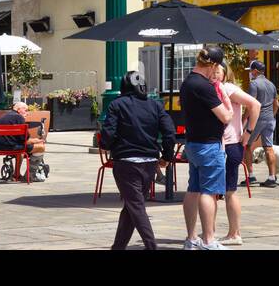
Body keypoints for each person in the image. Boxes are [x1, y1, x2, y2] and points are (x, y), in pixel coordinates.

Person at [99, 70, 175, 250]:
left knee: (136, 205)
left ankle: (151, 246)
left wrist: (106, 144)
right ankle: (118, 246)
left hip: (125, 161)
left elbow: (109, 132)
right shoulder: (155, 105)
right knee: (132, 205)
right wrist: (167, 156)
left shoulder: (117, 104)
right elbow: (169, 132)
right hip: (149, 162)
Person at [179, 46, 233, 250]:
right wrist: (226, 101)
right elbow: (226, 116)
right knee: (209, 192)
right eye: (217, 67)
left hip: (192, 143)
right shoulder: (204, 86)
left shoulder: (187, 83)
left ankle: (191, 239)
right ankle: (209, 240)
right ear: (214, 65)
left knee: (193, 189)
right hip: (209, 145)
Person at [211, 62, 260, 246]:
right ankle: (219, 232)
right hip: (222, 145)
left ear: (225, 73)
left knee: (228, 191)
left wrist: (248, 132)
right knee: (220, 192)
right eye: (212, 71)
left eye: (218, 71)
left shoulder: (228, 88)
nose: (214, 74)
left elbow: (255, 104)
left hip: (230, 145)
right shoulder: (214, 89)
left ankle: (233, 233)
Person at [246, 60, 279, 187]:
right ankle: (271, 177)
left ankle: (251, 176)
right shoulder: (271, 84)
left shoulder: (254, 84)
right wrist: (272, 115)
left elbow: (251, 104)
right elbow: (276, 104)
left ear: (255, 71)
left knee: (247, 145)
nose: (250, 73)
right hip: (270, 119)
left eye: (250, 71)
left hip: (257, 119)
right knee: (269, 148)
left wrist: (245, 119)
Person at [0, 101, 39, 180]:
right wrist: (36, 140)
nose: (27, 113)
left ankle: (17, 174)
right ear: (18, 110)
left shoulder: (4, 116)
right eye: (26, 110)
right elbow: (25, 139)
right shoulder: (19, 117)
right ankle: (31, 175)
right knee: (40, 147)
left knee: (20, 149)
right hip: (13, 147)